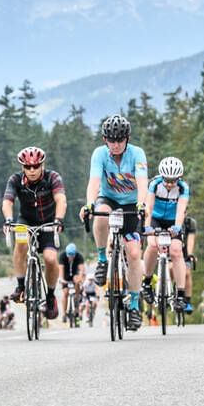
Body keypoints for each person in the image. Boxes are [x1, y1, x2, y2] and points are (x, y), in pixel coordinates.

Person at [79, 115, 149, 331]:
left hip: (131, 205)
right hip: (108, 199)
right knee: (99, 214)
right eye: (112, 140)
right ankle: (102, 259)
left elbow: (142, 180)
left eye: (120, 140)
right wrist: (89, 203)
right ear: (105, 139)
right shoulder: (100, 154)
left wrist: (141, 204)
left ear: (127, 139)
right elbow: (94, 181)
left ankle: (135, 305)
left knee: (134, 254)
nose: (116, 144)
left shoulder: (137, 154)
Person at [1, 146, 67, 320]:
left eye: (36, 167)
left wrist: (59, 219)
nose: (32, 171)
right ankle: (21, 286)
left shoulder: (53, 177)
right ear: (22, 167)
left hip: (48, 223)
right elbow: (7, 201)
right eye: (28, 167)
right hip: (26, 221)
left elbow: (61, 199)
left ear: (42, 165)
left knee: (51, 259)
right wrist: (8, 220)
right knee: (21, 243)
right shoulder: (15, 180)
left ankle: (51, 296)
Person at [141, 157, 190, 312]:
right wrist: (147, 227)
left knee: (176, 251)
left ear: (179, 178)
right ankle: (147, 282)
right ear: (161, 176)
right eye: (166, 180)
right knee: (152, 245)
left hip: (172, 220)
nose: (169, 184)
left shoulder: (183, 187)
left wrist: (177, 227)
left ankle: (181, 294)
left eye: (173, 180)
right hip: (154, 218)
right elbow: (148, 206)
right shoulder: (154, 184)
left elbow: (181, 210)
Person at [57, 243, 85, 322]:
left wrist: (80, 278)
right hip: (66, 275)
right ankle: (64, 314)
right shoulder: (62, 256)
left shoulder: (79, 256)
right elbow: (61, 269)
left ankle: (76, 303)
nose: (71, 257)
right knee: (65, 293)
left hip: (75, 275)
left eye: (72, 255)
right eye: (69, 255)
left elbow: (81, 270)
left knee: (77, 282)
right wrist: (61, 279)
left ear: (75, 254)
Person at [181, 216, 198, 313]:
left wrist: (190, 255)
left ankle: (187, 301)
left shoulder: (190, 222)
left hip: (185, 252)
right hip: (169, 249)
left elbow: (191, 240)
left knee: (187, 273)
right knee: (170, 268)